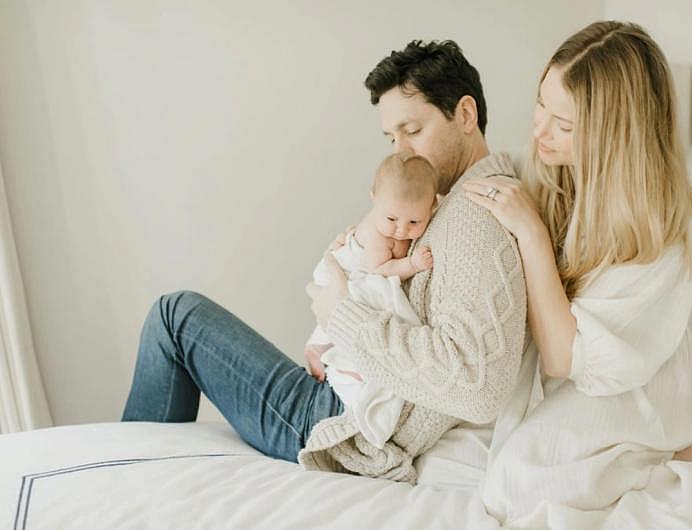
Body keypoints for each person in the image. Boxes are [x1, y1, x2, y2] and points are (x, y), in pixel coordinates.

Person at [121, 39, 527, 484]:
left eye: (412, 131)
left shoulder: (476, 213)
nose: (401, 153)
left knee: (174, 316)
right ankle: (136, 485)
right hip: (346, 391)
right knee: (176, 314)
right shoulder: (451, 203)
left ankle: (126, 487)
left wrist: (340, 315)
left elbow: (477, 386)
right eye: (392, 138)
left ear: (465, 115)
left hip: (341, 420)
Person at [463, 21, 692, 527]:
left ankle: (658, 451)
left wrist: (533, 235)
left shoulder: (656, 233)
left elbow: (562, 358)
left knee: (514, 486)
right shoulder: (549, 168)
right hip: (581, 368)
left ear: (612, 137)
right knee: (505, 471)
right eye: (541, 104)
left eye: (563, 124)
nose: (539, 130)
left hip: (637, 387)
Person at [303, 152, 438, 449]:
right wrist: (412, 264)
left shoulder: (398, 218)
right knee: (362, 303)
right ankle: (320, 349)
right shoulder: (378, 234)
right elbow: (379, 270)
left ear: (433, 207)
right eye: (392, 218)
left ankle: (319, 346)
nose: (401, 229)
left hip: (356, 274)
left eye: (414, 221)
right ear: (374, 199)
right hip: (351, 270)